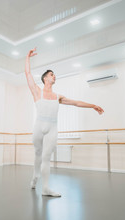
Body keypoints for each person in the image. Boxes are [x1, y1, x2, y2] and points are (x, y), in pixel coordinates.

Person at [25, 48, 104, 197]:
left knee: (46, 157)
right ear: (45, 79)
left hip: (52, 128)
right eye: (51, 75)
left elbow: (76, 103)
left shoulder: (58, 96)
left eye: (54, 75)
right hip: (38, 126)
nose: (54, 77)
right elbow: (28, 74)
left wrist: (93, 105)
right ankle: (35, 177)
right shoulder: (37, 91)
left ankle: (46, 188)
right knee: (37, 154)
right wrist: (27, 57)